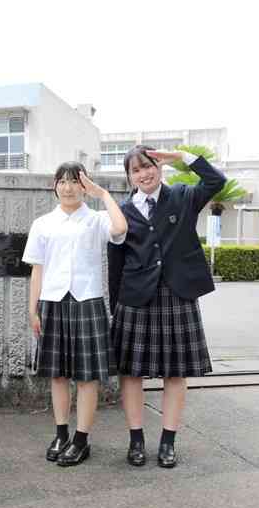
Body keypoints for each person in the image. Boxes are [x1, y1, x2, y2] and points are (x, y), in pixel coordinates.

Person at [108, 146, 226, 469]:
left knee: (176, 372)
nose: (144, 174)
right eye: (136, 170)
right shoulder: (123, 211)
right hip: (135, 298)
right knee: (131, 372)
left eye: (148, 166)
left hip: (178, 295)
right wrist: (114, 305)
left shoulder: (183, 197)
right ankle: (136, 440)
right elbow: (115, 262)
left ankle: (168, 441)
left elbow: (216, 181)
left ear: (158, 167)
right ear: (129, 177)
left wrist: (181, 157)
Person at [22, 162, 127, 467]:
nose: (67, 187)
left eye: (74, 181)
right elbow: (37, 269)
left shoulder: (96, 219)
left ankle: (81, 440)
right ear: (54, 186)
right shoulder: (43, 223)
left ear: (84, 185)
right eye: (62, 181)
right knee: (57, 374)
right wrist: (33, 309)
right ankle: (61, 434)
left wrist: (103, 193)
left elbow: (120, 229)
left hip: (87, 301)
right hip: (53, 302)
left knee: (86, 377)